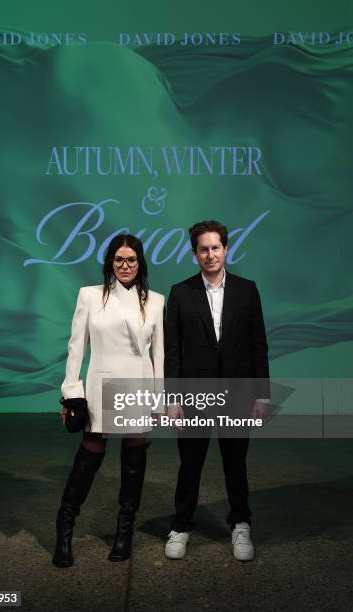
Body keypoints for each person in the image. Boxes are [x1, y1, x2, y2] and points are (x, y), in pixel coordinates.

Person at [53, 234, 164, 567]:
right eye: (119, 260)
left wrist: (159, 399)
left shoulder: (156, 300)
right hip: (101, 384)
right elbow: (77, 348)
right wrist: (72, 393)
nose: (125, 265)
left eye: (131, 260)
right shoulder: (90, 296)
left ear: (140, 263)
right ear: (109, 263)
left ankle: (124, 531)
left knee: (133, 456)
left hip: (139, 383)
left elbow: (159, 354)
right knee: (90, 451)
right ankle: (65, 528)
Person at [164, 220, 270, 562]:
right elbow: (173, 351)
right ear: (194, 254)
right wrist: (174, 397)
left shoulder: (247, 289)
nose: (210, 254)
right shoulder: (181, 293)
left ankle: (240, 524)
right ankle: (180, 526)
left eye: (215, 247)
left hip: (238, 394)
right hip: (194, 396)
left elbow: (258, 346)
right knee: (189, 464)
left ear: (226, 249)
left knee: (235, 463)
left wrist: (262, 395)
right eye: (203, 249)